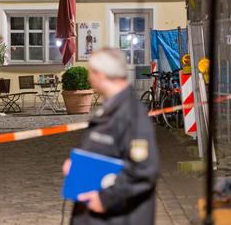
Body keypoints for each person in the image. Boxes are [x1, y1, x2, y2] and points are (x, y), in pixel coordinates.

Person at [63, 48, 159, 225]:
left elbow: (143, 169)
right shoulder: (112, 107)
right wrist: (79, 166)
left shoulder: (131, 114)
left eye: (91, 72)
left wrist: (105, 199)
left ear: (100, 75)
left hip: (119, 217)